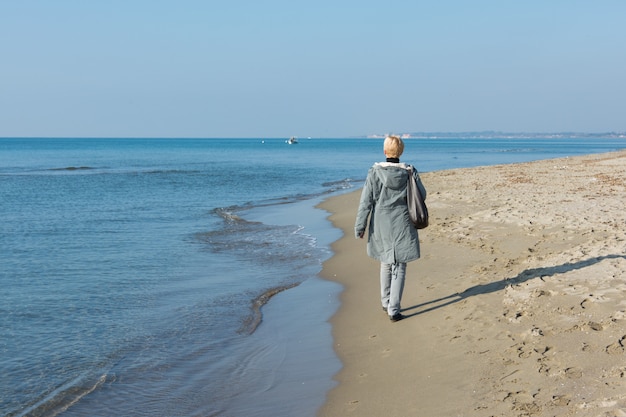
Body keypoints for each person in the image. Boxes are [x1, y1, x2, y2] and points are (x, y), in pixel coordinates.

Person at [354, 135, 427, 322]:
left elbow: (366, 202)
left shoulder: (374, 172)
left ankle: (385, 301)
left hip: (381, 222)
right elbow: (422, 194)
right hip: (403, 221)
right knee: (400, 265)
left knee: (386, 262)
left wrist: (360, 226)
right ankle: (394, 310)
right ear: (401, 152)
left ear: (385, 151)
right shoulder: (410, 171)